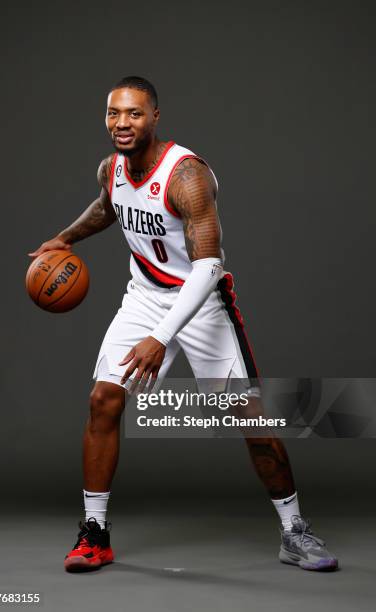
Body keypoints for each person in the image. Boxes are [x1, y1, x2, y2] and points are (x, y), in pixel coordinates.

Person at [29, 76, 338, 573]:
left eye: (134, 113)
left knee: (249, 417)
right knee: (103, 399)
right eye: (113, 114)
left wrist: (161, 337)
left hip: (200, 305)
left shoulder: (186, 175)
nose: (122, 123)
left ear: (154, 117)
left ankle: (293, 531)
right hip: (143, 299)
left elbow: (209, 265)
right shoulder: (112, 168)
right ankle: (94, 533)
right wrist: (65, 238)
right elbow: (109, 206)